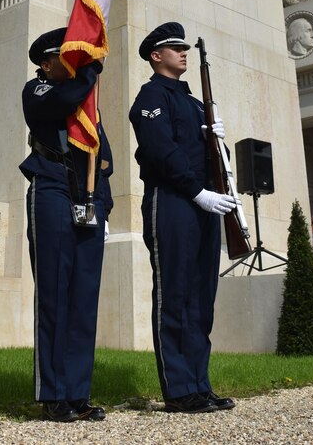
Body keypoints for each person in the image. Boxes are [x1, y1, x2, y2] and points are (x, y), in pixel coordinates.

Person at [129, 22, 235, 414]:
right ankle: (178, 389)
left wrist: (217, 138)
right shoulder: (151, 97)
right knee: (174, 294)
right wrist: (197, 192)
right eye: (175, 48)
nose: (183, 52)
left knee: (200, 298)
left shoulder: (192, 102)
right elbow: (160, 150)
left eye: (184, 47)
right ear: (157, 56)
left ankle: (199, 384)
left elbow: (208, 157)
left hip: (203, 202)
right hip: (173, 200)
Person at [21, 27, 112, 423]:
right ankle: (53, 392)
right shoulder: (38, 90)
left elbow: (103, 159)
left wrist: (103, 208)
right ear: (46, 62)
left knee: (83, 299)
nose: (74, 63)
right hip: (52, 189)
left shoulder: (86, 106)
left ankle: (77, 392)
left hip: (87, 199)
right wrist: (90, 71)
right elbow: (63, 101)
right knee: (56, 293)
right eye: (66, 57)